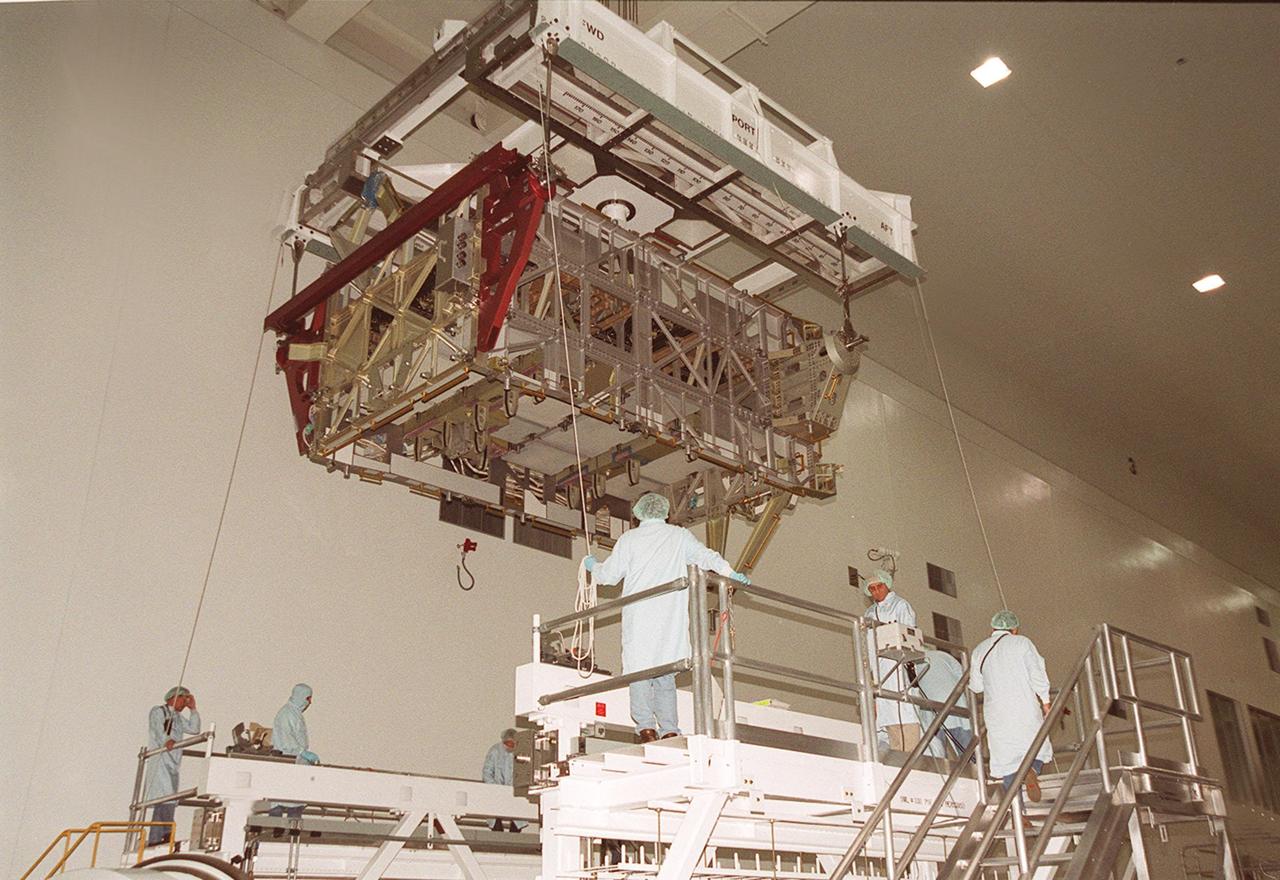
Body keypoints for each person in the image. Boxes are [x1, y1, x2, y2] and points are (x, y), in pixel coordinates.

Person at [583, 492, 748, 743]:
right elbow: (706, 557)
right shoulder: (679, 536)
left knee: (639, 672)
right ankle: (670, 729)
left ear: (638, 513)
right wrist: (730, 573)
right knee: (665, 672)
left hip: (640, 615)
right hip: (670, 616)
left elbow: (609, 576)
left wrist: (593, 565)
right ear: (665, 512)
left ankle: (646, 728)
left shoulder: (629, 539)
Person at [970, 610, 1053, 802]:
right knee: (1037, 747)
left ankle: (1017, 811)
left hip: (997, 715)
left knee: (1006, 761)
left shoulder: (979, 650)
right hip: (1024, 707)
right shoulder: (1022, 643)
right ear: (1014, 629)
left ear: (992, 628)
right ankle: (1032, 770)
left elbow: (976, 686)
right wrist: (1046, 702)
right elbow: (1037, 674)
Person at [863, 569, 920, 752]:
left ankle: (910, 758)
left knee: (906, 715)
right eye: (872, 589)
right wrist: (872, 676)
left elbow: (909, 635)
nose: (876, 591)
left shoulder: (900, 605)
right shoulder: (870, 613)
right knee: (889, 719)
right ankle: (897, 759)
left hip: (900, 669)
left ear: (887, 585)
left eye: (879, 586)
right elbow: (868, 646)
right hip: (881, 673)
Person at [143, 686, 202, 846]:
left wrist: (193, 709)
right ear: (174, 697)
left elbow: (194, 729)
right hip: (161, 761)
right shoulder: (159, 711)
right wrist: (167, 740)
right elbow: (158, 729)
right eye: (183, 699)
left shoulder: (178, 717)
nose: (184, 703)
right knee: (165, 797)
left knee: (167, 799)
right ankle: (165, 834)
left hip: (173, 763)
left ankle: (158, 836)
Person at [914, 648, 974, 758]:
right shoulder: (943, 655)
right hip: (956, 708)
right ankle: (975, 767)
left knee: (938, 756)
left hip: (931, 713)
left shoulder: (911, 663)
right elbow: (964, 677)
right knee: (969, 754)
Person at [270, 683, 319, 818]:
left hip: (296, 764)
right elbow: (286, 739)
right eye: (308, 698)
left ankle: (291, 824)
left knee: (295, 803)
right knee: (280, 804)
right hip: (288, 762)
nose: (309, 702)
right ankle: (276, 826)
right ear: (300, 696)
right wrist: (302, 752)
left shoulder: (295, 713)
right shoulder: (286, 714)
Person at [482, 729, 524, 831]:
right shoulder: (495, 751)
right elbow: (487, 772)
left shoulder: (521, 752)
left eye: (513, 744)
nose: (510, 746)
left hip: (514, 790)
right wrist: (496, 788)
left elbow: (523, 771)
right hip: (496, 790)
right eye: (508, 743)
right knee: (495, 817)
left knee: (518, 816)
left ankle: (514, 836)